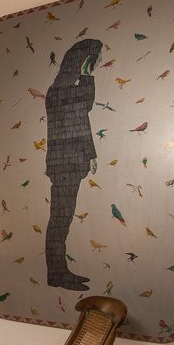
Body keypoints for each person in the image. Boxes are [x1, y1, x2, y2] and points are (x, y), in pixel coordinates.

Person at [44, 38, 103, 290]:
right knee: (60, 220)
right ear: (84, 60)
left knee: (61, 220)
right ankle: (57, 273)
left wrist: (90, 154)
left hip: (69, 163)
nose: (98, 63)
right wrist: (87, 74)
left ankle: (58, 272)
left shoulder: (63, 89)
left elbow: (81, 121)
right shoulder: (60, 91)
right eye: (94, 59)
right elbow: (84, 106)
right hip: (65, 165)